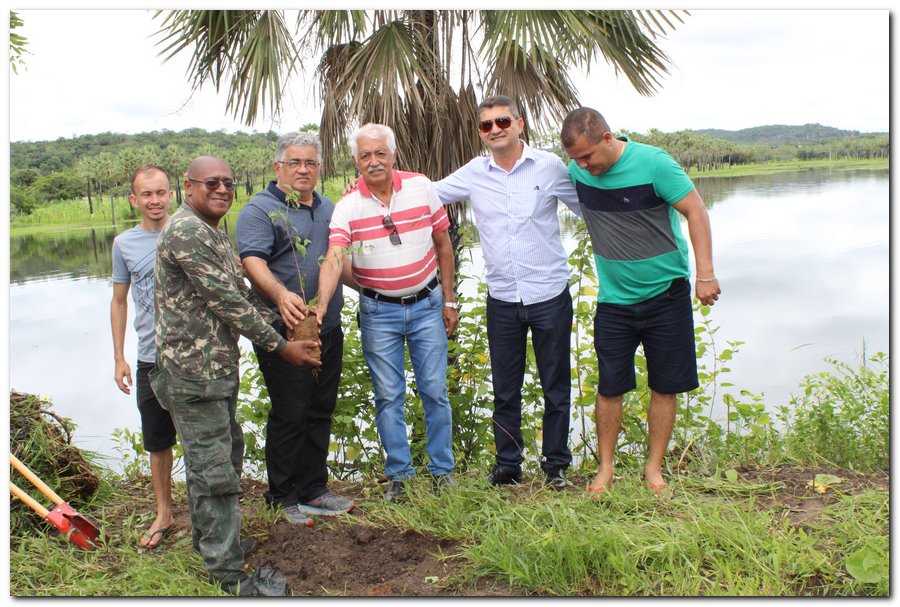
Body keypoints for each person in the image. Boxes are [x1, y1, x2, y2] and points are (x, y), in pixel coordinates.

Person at [150, 156, 321, 596]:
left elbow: (242, 293)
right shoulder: (187, 231)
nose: (223, 189)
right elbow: (227, 302)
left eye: (228, 183)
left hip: (214, 372)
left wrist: (287, 317)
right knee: (214, 471)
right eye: (212, 183)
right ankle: (227, 574)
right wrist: (282, 346)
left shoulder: (210, 231)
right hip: (192, 375)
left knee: (222, 457)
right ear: (188, 187)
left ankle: (211, 540)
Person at [560, 107, 721, 496]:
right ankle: (605, 469)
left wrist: (705, 273)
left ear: (607, 138)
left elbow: (696, 211)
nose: (583, 166)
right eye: (575, 159)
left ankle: (654, 468)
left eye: (587, 156)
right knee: (609, 387)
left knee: (665, 386)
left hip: (667, 294)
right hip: (614, 300)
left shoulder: (654, 163)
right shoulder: (578, 172)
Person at [433, 95, 583, 490]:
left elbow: (587, 207)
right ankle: (508, 465)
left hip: (549, 294)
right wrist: (373, 184)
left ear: (519, 123)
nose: (495, 129)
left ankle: (556, 466)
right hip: (501, 298)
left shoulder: (549, 166)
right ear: (480, 132)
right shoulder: (474, 172)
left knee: (556, 387)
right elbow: (428, 193)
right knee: (504, 388)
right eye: (487, 125)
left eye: (502, 121)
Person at [316, 123, 458, 503]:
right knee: (388, 396)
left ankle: (442, 472)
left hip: (428, 305)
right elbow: (335, 257)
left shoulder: (421, 187)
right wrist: (320, 306)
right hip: (379, 313)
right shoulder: (347, 206)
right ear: (355, 160)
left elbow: (443, 244)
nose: (374, 161)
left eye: (380, 153)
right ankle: (400, 477)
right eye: (365, 155)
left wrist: (449, 301)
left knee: (434, 390)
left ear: (393, 154)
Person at [236, 132, 354, 520]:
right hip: (283, 330)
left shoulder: (329, 208)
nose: (303, 170)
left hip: (327, 326)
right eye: (294, 162)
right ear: (278, 167)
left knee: (321, 409)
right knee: (290, 412)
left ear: (319, 168)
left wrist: (381, 290)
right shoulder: (260, 209)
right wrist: (280, 294)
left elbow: (338, 260)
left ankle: (313, 489)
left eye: (310, 163)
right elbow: (252, 262)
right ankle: (282, 496)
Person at [110, 164, 177, 548]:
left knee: (201, 438)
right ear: (133, 199)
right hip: (150, 357)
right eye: (146, 194)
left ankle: (208, 513)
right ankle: (164, 513)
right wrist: (119, 357)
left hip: (190, 358)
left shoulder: (189, 231)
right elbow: (119, 301)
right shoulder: (124, 244)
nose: (155, 200)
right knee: (157, 439)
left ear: (172, 194)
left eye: (161, 192)